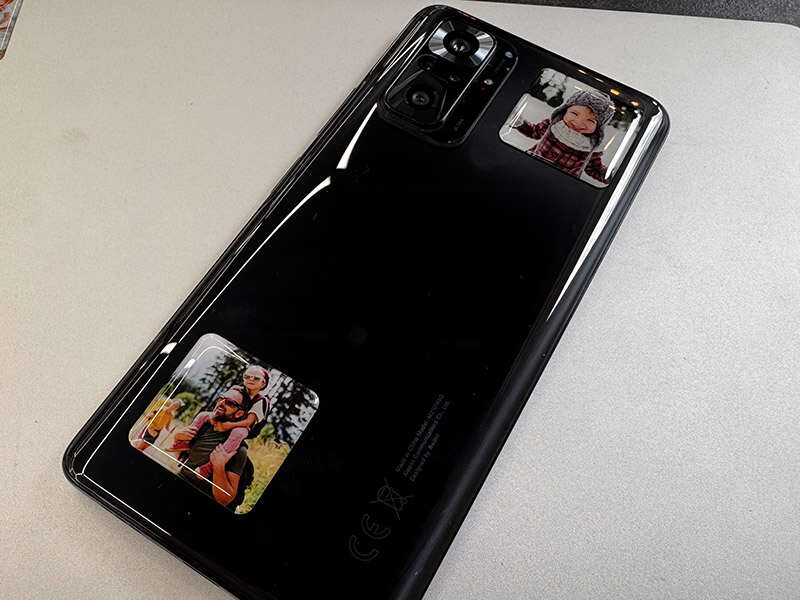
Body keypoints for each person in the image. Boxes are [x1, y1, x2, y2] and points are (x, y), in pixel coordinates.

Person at [169, 365, 271, 477]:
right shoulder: (238, 389)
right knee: (203, 415)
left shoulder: (261, 401)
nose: (251, 379)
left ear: (263, 383)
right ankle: (185, 441)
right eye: (247, 376)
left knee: (239, 432)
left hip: (244, 427)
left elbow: (248, 422)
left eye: (256, 378)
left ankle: (209, 467)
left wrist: (228, 425)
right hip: (230, 420)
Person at [514, 90, 615, 184]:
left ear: (598, 128)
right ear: (565, 110)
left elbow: (594, 170)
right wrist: (519, 123)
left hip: (558, 183)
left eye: (590, 120)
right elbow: (533, 131)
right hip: (528, 167)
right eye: (574, 113)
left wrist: (610, 175)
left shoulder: (590, 149)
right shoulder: (553, 126)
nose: (578, 122)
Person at [173, 388, 251, 507]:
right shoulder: (204, 426)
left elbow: (225, 500)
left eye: (230, 403)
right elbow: (182, 459)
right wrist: (177, 438)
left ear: (239, 413)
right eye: (221, 398)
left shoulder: (238, 449)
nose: (222, 403)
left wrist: (218, 467)